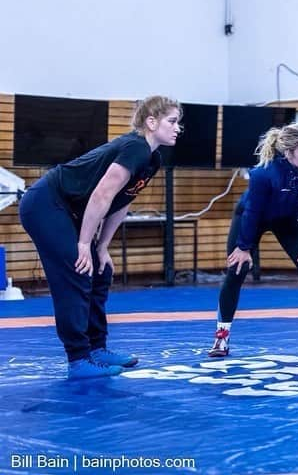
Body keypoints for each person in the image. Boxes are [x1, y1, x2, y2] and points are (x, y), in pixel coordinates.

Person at [19, 95, 182, 379]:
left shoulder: (152, 158)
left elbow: (122, 201)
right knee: (78, 270)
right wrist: (84, 244)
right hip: (45, 203)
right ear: (151, 122)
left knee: (100, 269)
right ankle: (78, 359)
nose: (178, 127)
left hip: (67, 209)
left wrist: (102, 247)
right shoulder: (135, 147)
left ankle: (96, 348)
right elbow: (102, 194)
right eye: (172, 121)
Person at [208, 123, 298, 357]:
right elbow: (252, 211)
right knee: (237, 270)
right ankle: (222, 337)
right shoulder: (264, 173)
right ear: (289, 154)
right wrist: (243, 247)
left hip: (287, 219)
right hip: (253, 217)